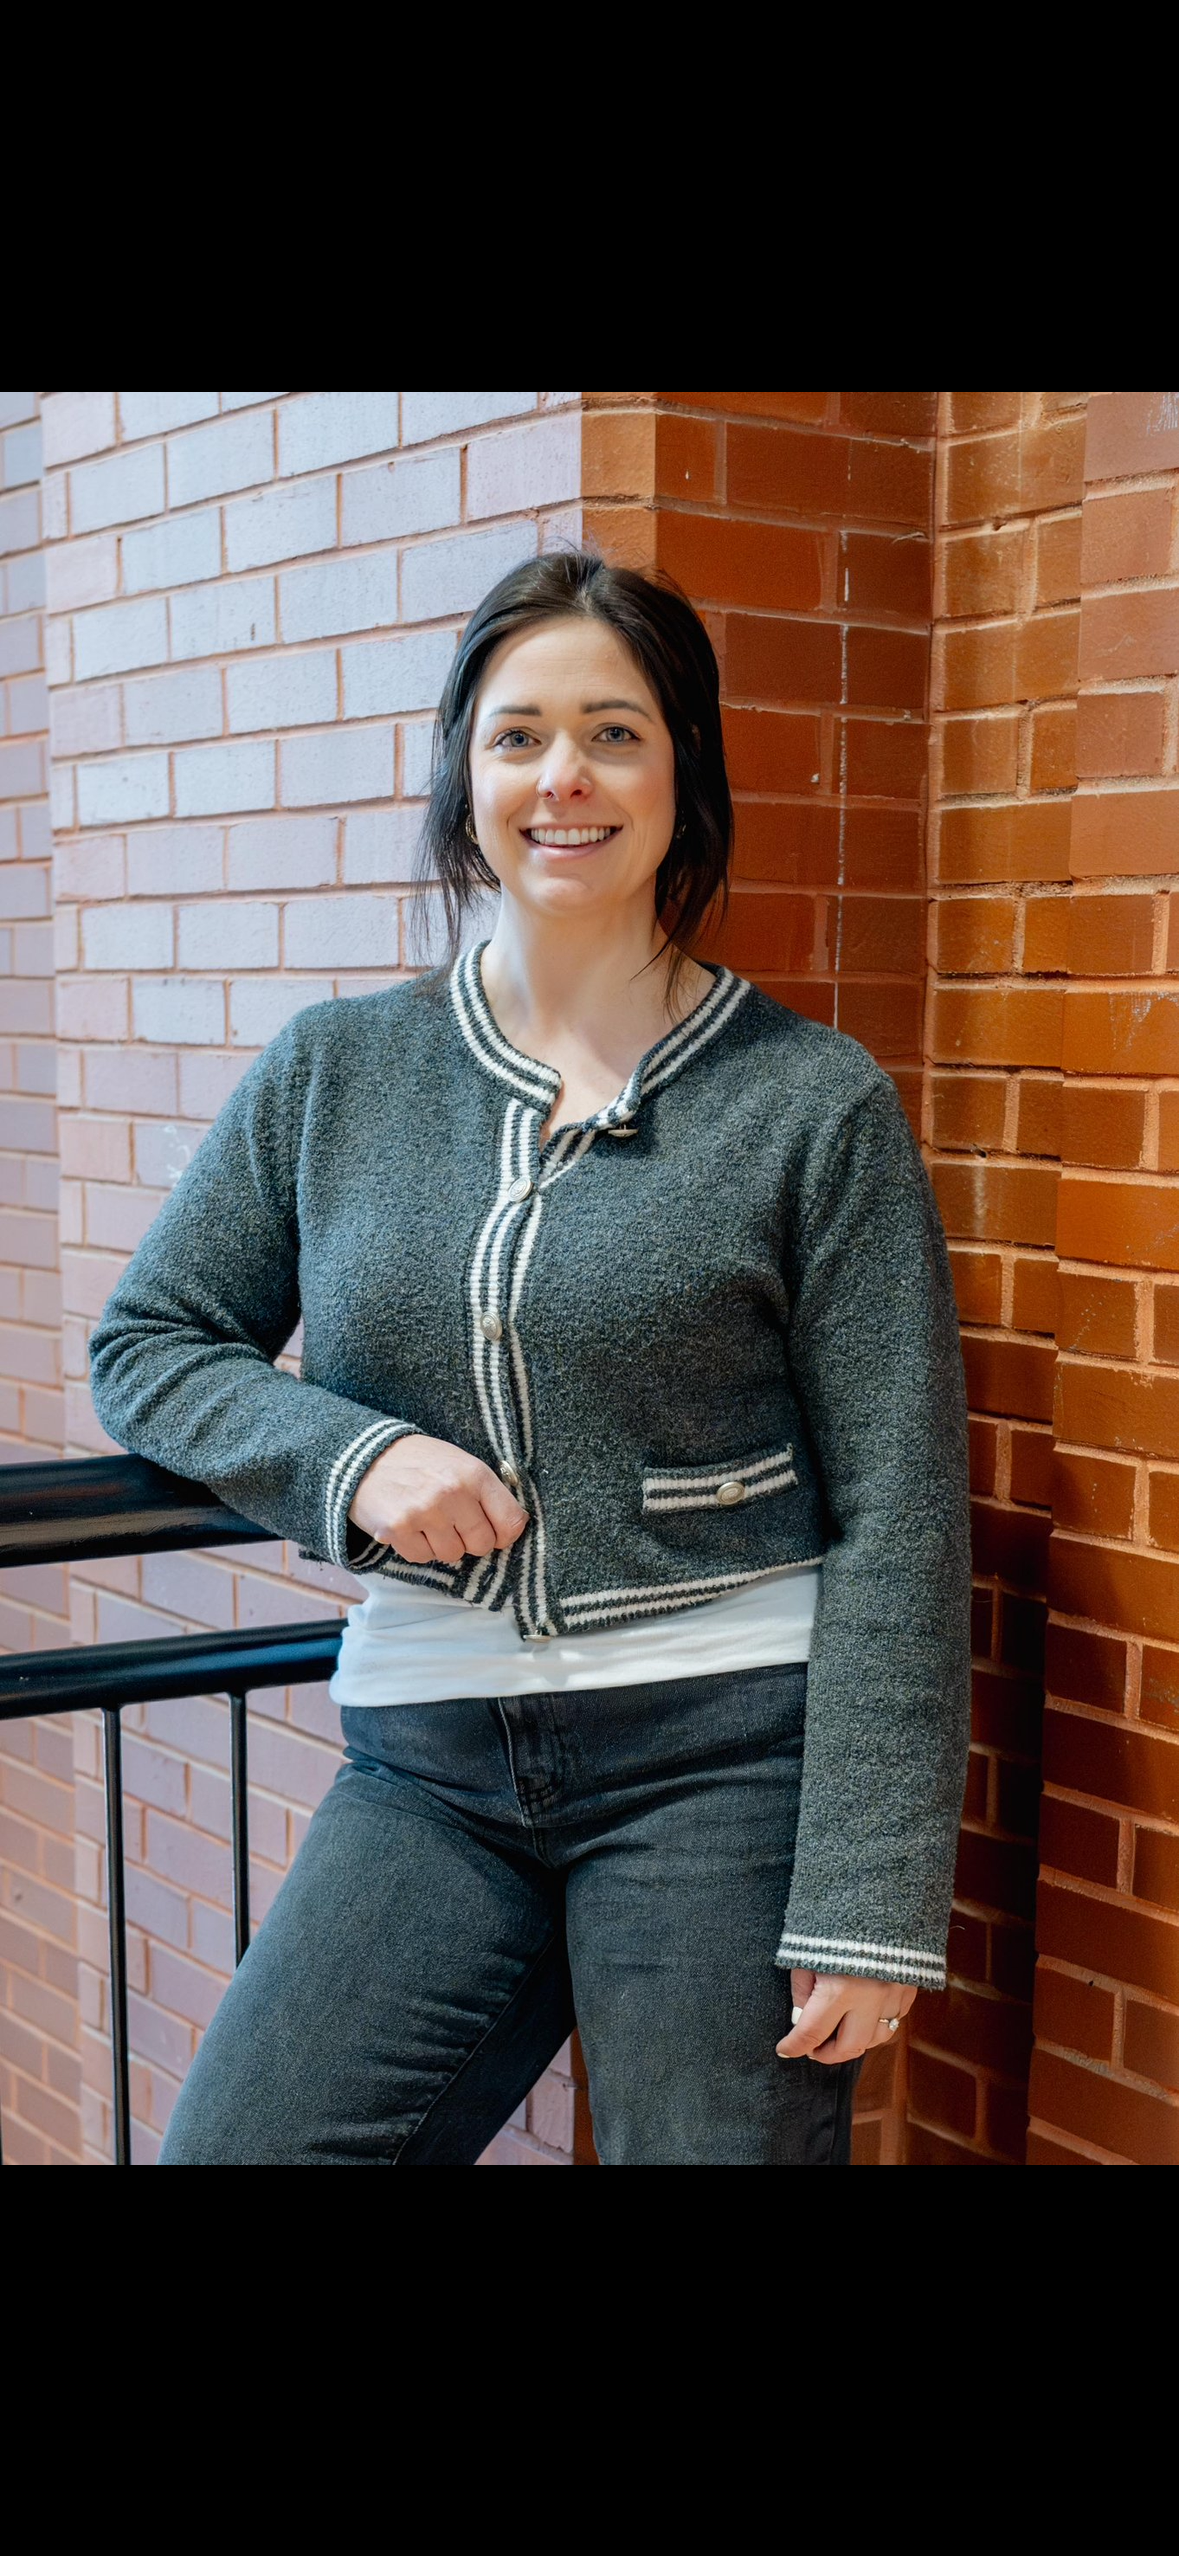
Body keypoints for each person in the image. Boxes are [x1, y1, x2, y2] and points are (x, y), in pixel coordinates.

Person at [89, 550, 970, 2167]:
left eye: (615, 732)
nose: (563, 776)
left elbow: (904, 1509)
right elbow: (151, 1344)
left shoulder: (808, 1101)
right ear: (463, 776)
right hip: (427, 1758)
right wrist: (349, 1460)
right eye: (518, 735)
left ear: (683, 773)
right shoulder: (336, 1070)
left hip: (728, 1758)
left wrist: (867, 1891)